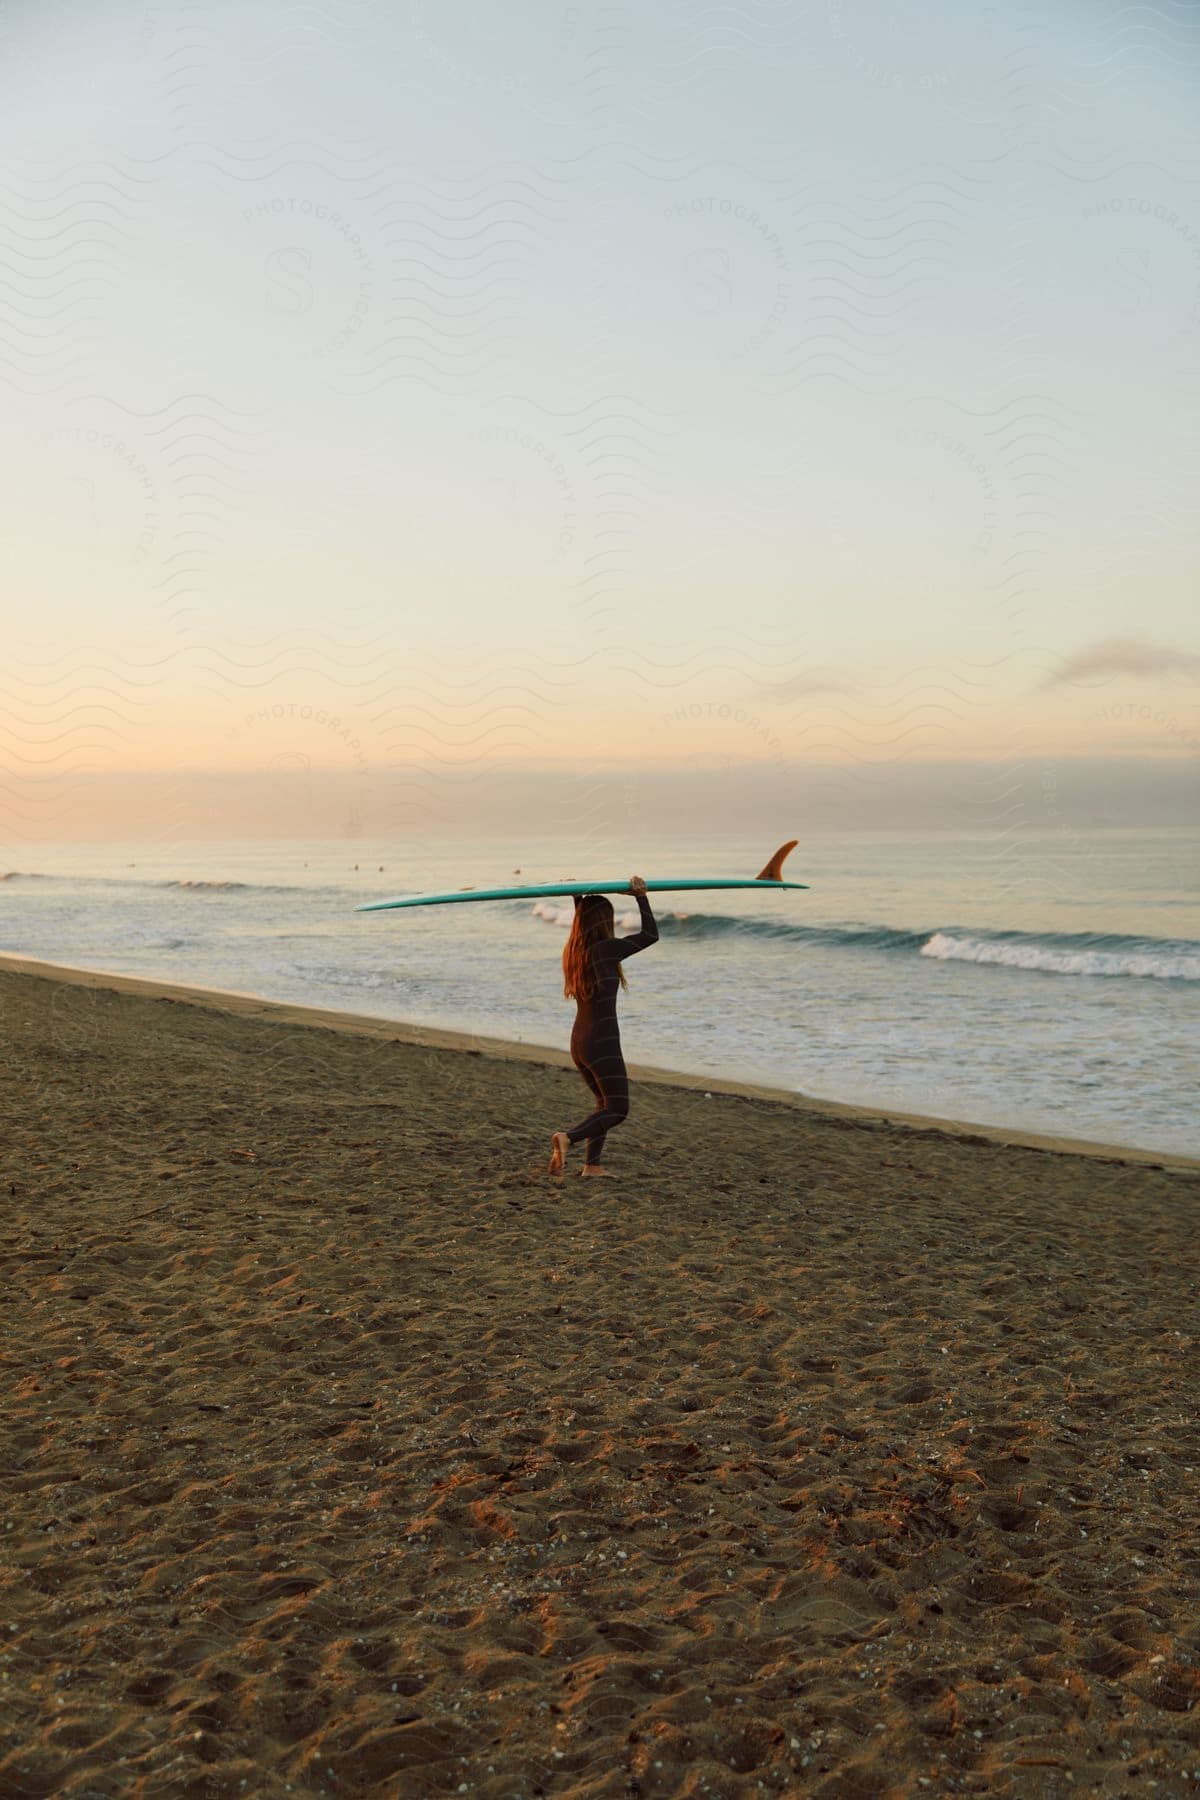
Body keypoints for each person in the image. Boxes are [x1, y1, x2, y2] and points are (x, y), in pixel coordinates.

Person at [549, 876, 659, 1178]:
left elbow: (582, 922)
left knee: (603, 1103)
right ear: (604, 922)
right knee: (618, 1108)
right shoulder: (606, 950)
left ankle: (592, 1166)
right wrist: (641, 896)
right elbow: (651, 934)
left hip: (579, 1041)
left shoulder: (574, 952)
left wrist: (575, 896)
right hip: (602, 1041)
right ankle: (567, 1138)